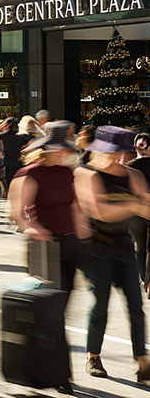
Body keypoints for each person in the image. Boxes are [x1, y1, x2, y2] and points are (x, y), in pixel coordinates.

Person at [10, 121, 85, 394]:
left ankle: (48, 369)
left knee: (60, 311)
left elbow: (74, 205)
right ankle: (60, 374)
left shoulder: (68, 172)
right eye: (60, 148)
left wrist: (81, 231)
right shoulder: (30, 173)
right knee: (52, 313)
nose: (64, 153)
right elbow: (16, 213)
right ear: (47, 149)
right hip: (44, 250)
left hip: (70, 246)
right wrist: (34, 228)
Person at [73, 126, 150, 382]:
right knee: (100, 306)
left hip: (124, 247)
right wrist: (133, 204)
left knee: (136, 306)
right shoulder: (87, 174)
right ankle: (93, 357)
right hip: (95, 249)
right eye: (114, 152)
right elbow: (100, 212)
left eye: (123, 152)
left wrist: (137, 205)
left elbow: (147, 209)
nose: (119, 158)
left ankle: (142, 361)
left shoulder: (133, 175)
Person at [128, 132, 150, 292]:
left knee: (140, 247)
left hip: (135, 213)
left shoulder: (128, 166)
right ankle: (149, 283)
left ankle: (144, 279)